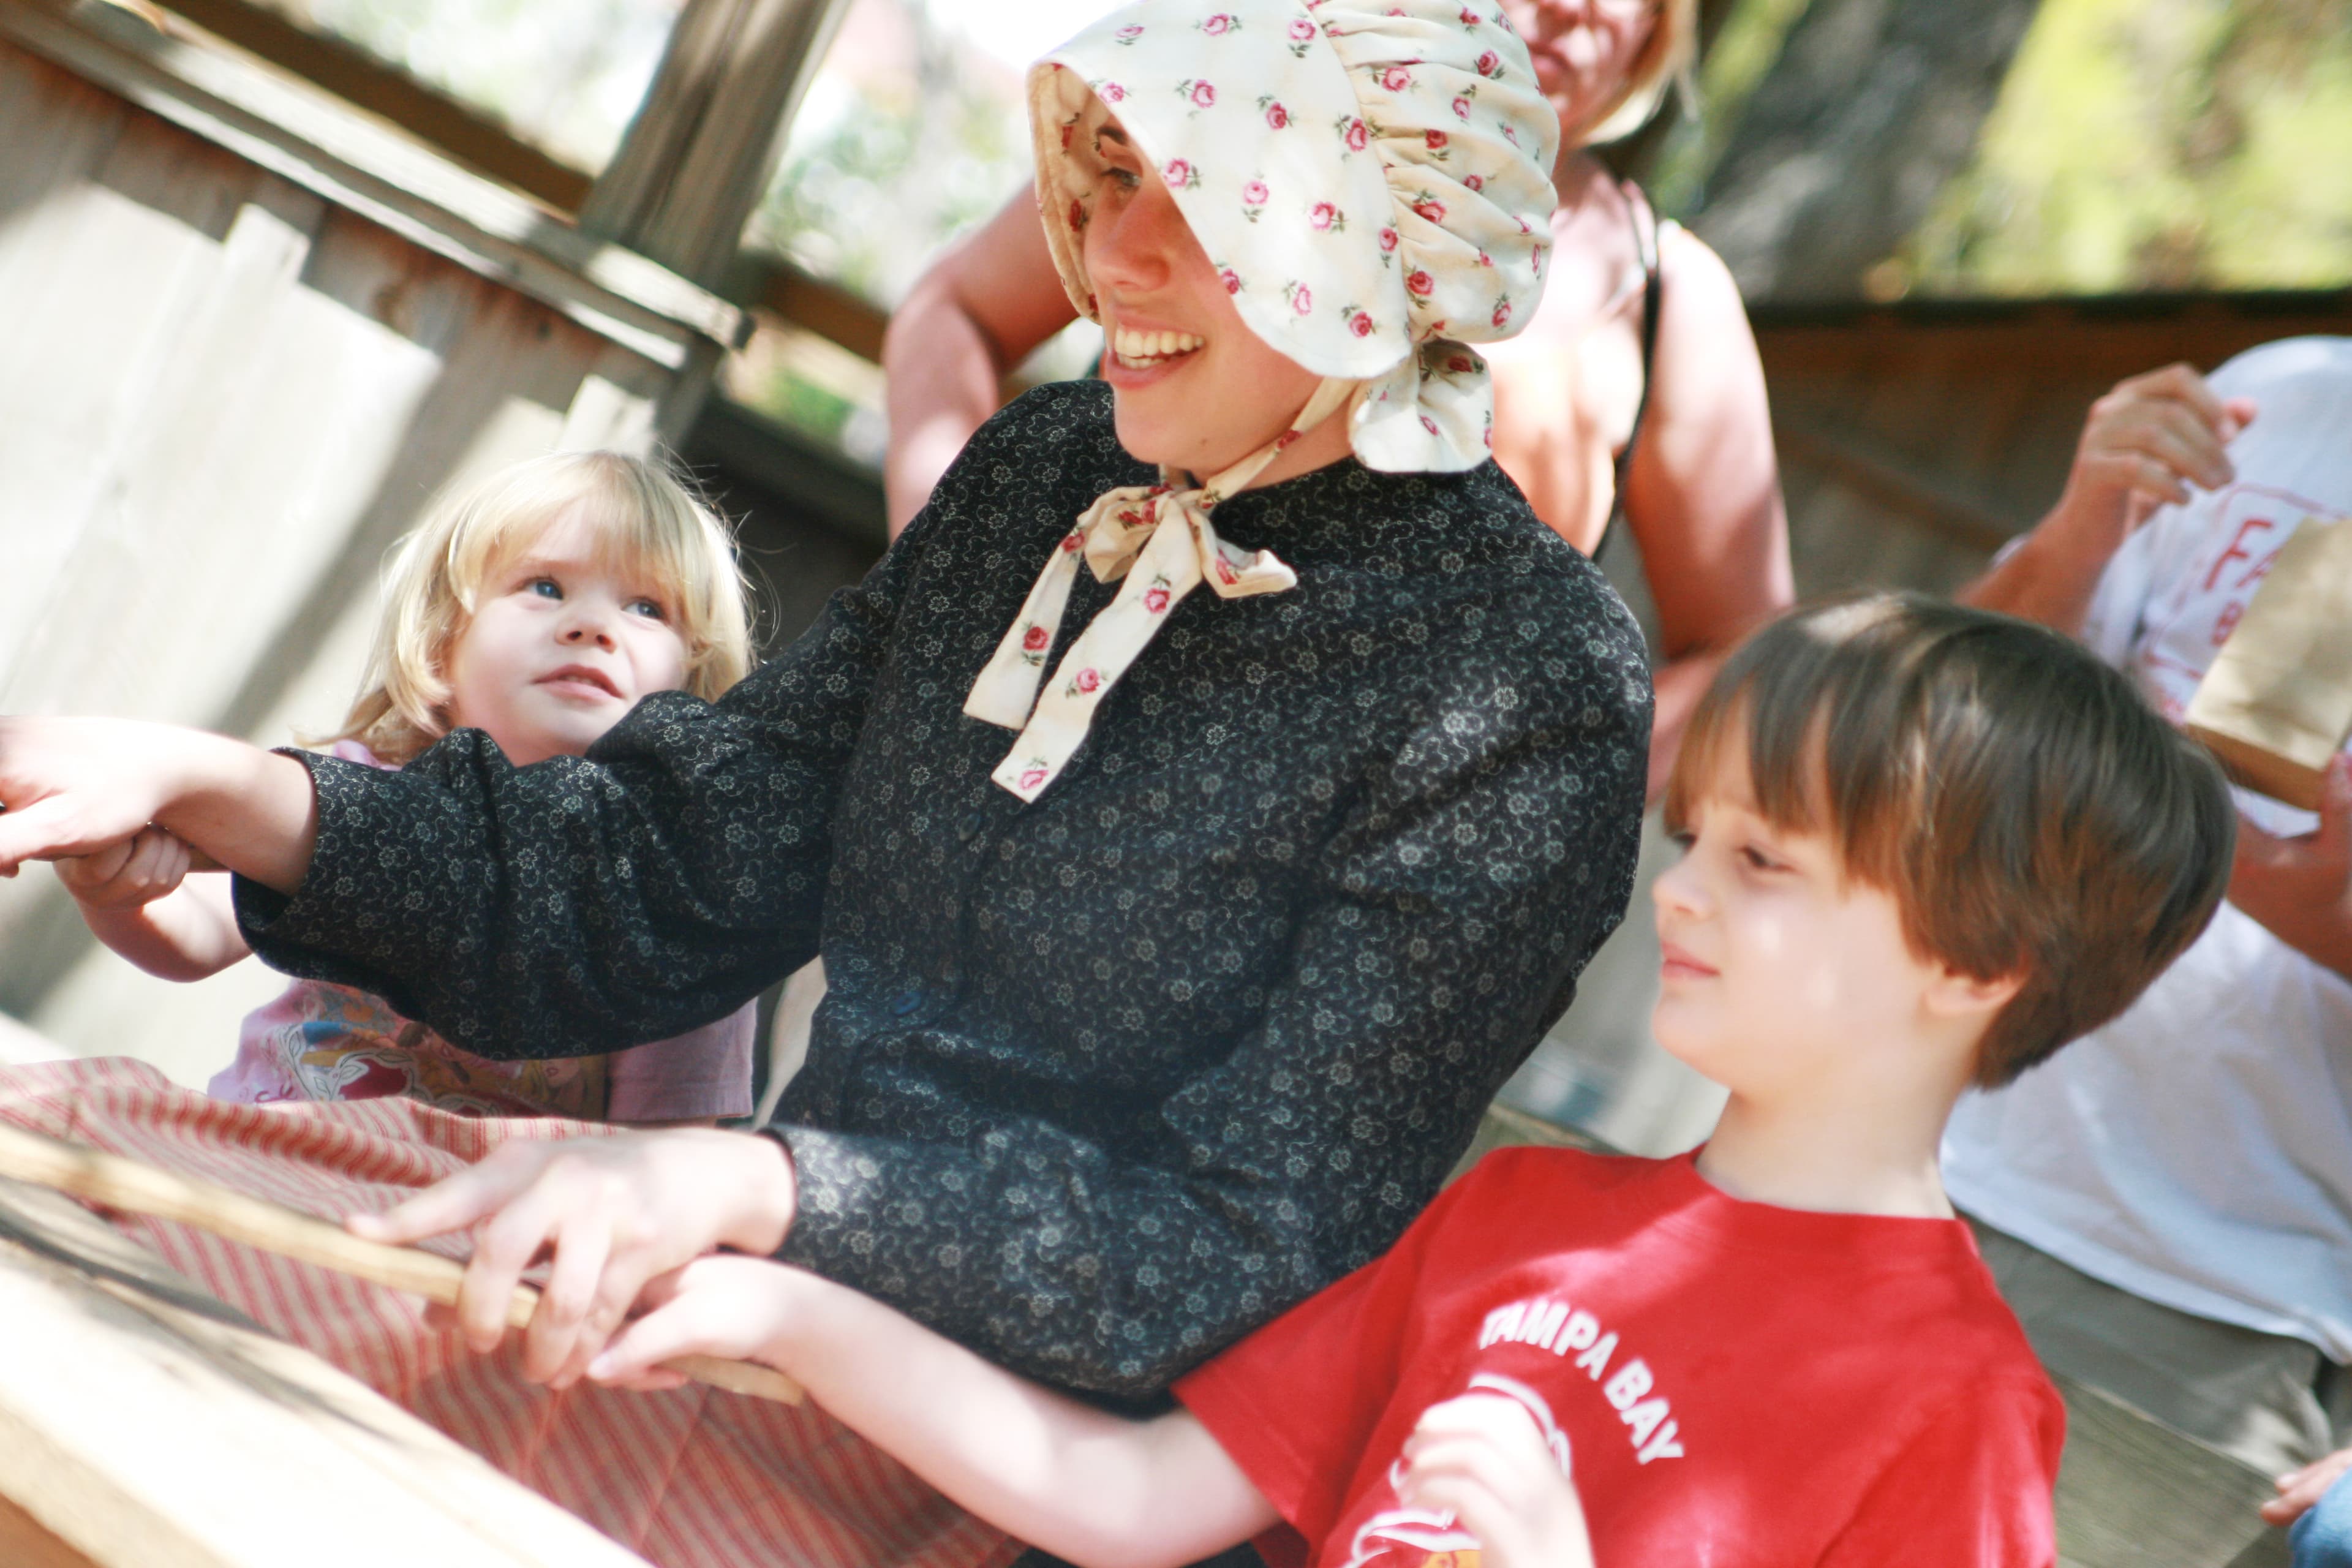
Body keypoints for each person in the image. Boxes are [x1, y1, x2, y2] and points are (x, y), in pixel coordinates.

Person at [0, 0, 1648, 1541]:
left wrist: (764, 1187)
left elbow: (1241, 1240)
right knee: (67, 1210)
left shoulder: (1524, 683)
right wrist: (233, 795)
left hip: (988, 1474)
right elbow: (673, 860)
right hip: (703, 1269)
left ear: (1387, 262)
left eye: (1214, 215)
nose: (1122, 258)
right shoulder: (1051, 470)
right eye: (1124, 176)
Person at [579, 593, 2237, 1568]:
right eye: (1695, 840)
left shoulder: (1953, 1409)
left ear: (1974, 962)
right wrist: (766, 1309)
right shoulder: (1527, 1214)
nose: (1685, 895)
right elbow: (1131, 1497)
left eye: (1768, 862)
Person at [885, 0, 1790, 796]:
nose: (1567, 4)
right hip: (1016, 743)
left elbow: (1748, 660)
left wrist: (1498, 795)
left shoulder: (1669, 298)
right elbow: (952, 309)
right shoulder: (1225, 97)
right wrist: (958, 592)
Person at [1947, 337, 2352, 1561]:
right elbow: (1936, 717)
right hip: (1921, 1164)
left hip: (2218, 1313)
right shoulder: (2285, 398)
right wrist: (2083, 527)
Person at [48, 451, 761, 1124]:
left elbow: (664, 1150)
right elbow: (197, 935)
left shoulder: (678, 902)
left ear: (694, 684)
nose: (594, 626)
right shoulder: (368, 792)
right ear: (441, 646)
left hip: (457, 1217)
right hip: (278, 1144)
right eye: (545, 587)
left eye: (647, 608)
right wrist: (117, 896)